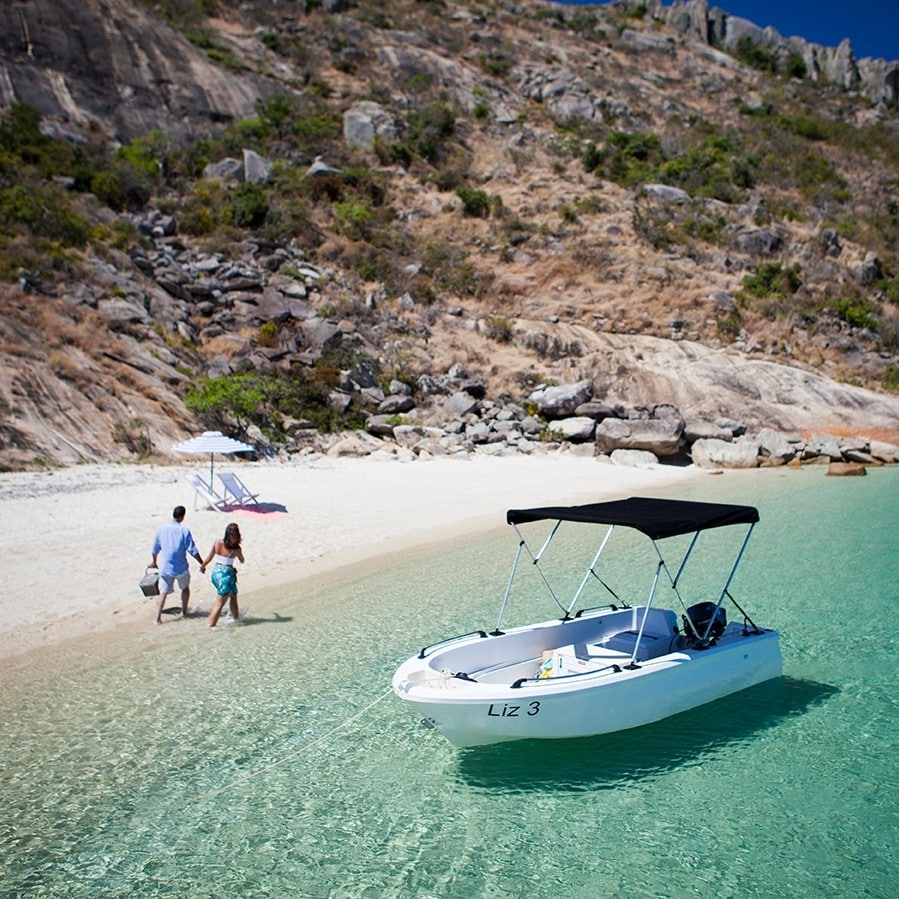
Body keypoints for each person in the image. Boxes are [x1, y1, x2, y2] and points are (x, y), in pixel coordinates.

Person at [151, 505, 204, 625]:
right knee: (185, 588)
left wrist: (154, 562)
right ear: (183, 516)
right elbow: (192, 550)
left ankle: (157, 619)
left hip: (165, 567)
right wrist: (202, 563)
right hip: (181, 567)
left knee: (163, 592)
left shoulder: (161, 530)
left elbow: (155, 549)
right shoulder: (183, 530)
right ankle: (184, 612)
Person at [201, 522, 245, 628]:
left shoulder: (218, 543)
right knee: (219, 603)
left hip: (216, 573)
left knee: (233, 596)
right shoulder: (237, 549)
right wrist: (239, 557)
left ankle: (236, 619)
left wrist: (203, 566)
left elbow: (209, 557)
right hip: (226, 576)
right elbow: (242, 560)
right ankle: (211, 625)